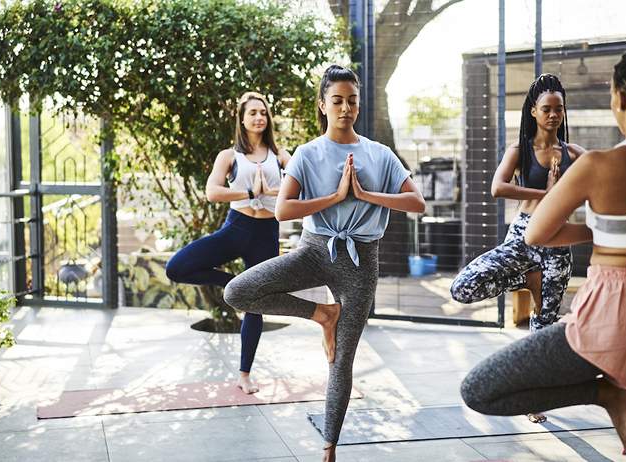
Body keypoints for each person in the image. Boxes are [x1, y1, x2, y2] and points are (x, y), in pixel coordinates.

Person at [460, 22, 626, 460]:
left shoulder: (596, 164)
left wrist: (603, 231)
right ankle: (614, 397)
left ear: (620, 99)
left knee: (479, 389)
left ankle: (604, 396)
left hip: (610, 316)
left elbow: (539, 233)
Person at [224, 65, 425, 462]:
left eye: (352, 100)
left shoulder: (379, 154)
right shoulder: (307, 153)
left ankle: (329, 446)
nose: (346, 107)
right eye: (337, 100)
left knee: (341, 361)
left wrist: (366, 194)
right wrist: (335, 197)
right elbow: (283, 210)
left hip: (361, 262)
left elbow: (416, 203)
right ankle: (322, 314)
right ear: (323, 105)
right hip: (315, 249)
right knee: (238, 291)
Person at [165, 91, 290, 394]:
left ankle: (244, 375)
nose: (259, 117)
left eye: (263, 112)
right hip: (237, 229)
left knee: (255, 306)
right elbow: (212, 192)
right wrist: (249, 193)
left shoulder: (281, 154)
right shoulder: (229, 156)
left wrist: (275, 192)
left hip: (266, 234)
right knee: (176, 268)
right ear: (242, 119)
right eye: (253, 113)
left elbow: (301, 185)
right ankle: (233, 282)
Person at [450, 73, 586, 334]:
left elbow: (602, 177)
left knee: (546, 321)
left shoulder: (574, 153)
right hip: (524, 233)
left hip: (557, 239)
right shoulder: (520, 150)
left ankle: (538, 372)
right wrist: (547, 195)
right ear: (534, 111)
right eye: (546, 109)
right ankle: (528, 277)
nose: (553, 115)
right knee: (463, 287)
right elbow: (497, 187)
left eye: (559, 109)